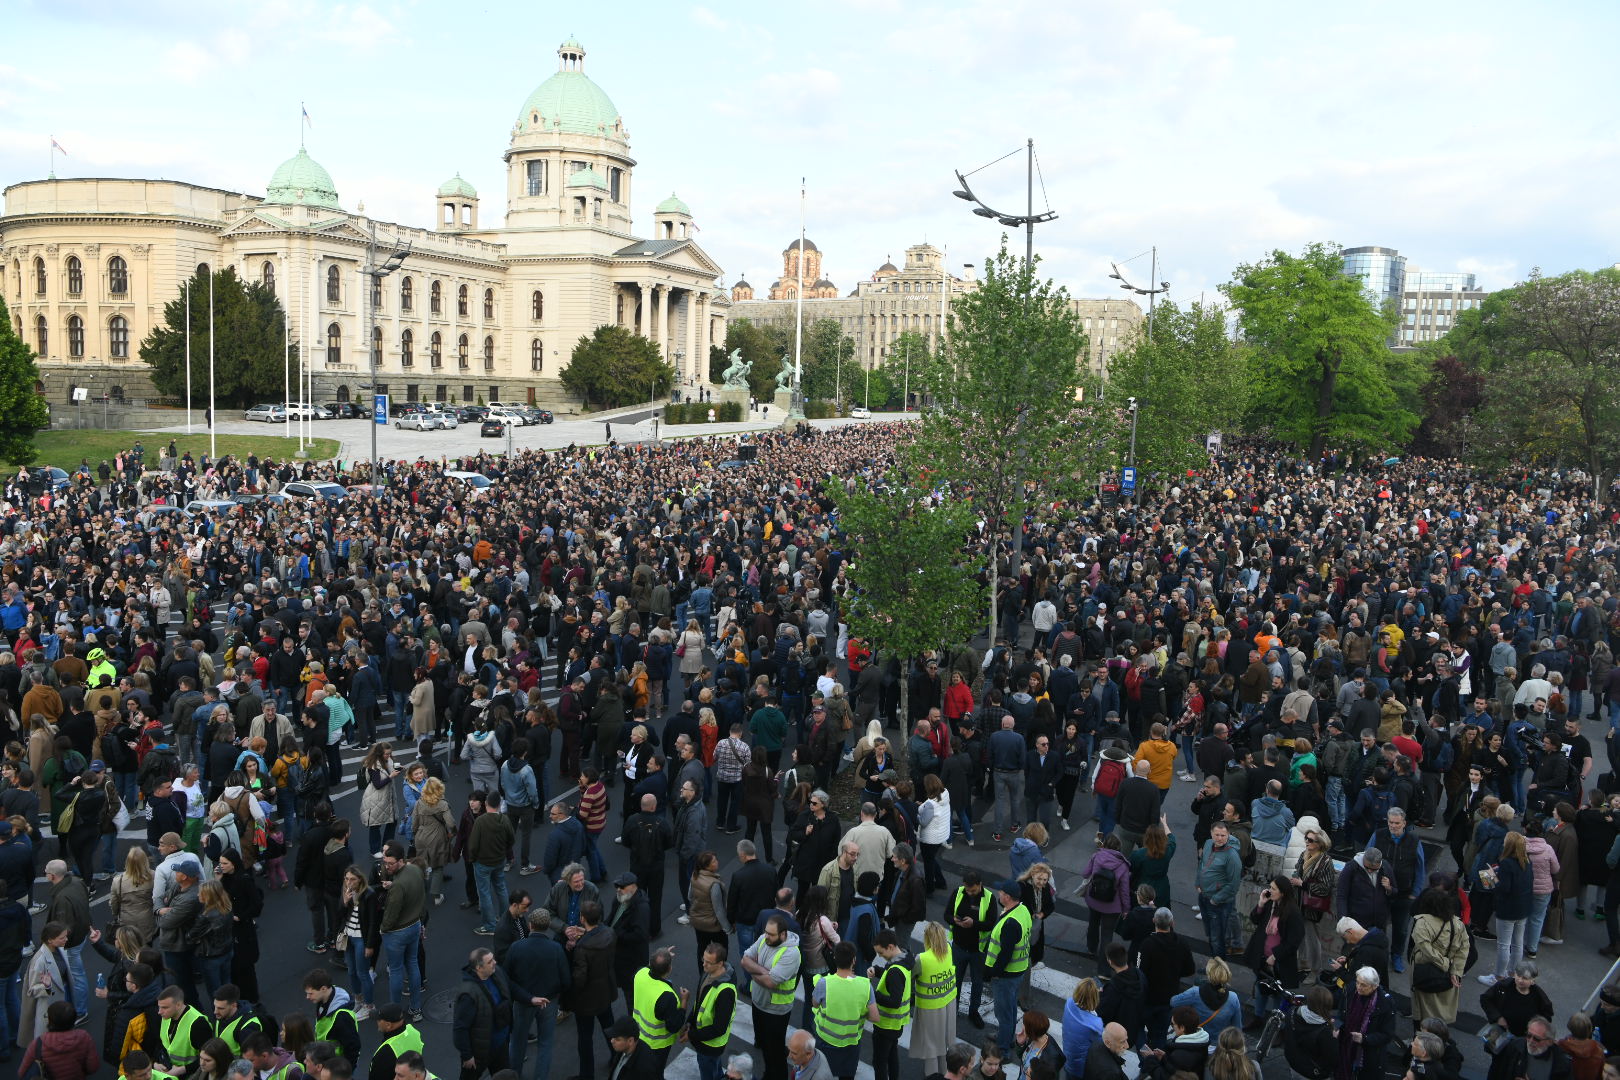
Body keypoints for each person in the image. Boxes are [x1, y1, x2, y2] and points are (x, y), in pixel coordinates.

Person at [740, 913, 800, 1080]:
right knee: (766, 1046)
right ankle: (769, 1072)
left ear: (783, 934)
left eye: (771, 934)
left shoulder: (791, 953)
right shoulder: (763, 939)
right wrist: (763, 971)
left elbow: (771, 982)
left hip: (776, 1010)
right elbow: (744, 960)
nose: (767, 936)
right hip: (758, 1002)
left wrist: (753, 973)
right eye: (766, 932)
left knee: (775, 1053)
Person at [811, 941, 877, 1080]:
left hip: (826, 1041)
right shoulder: (865, 985)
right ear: (854, 960)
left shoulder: (824, 983)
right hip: (850, 1043)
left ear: (835, 958)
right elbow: (874, 1017)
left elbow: (815, 1004)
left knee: (822, 1075)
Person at [567, 900, 617, 1078]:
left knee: (585, 1038)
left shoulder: (582, 948)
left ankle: (586, 1075)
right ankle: (617, 1060)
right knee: (609, 1028)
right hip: (605, 991)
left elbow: (580, 978)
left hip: (586, 999)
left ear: (582, 918)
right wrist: (586, 934)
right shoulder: (609, 933)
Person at [377, 842, 426, 1020]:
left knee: (396, 970)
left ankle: (395, 1013)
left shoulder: (398, 886)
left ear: (401, 860)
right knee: (412, 965)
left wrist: (383, 929)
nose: (387, 867)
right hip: (414, 925)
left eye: (391, 863)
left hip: (397, 933)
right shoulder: (415, 870)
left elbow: (390, 915)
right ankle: (416, 1008)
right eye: (385, 863)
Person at [1244, 877, 1304, 1019]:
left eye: (1273, 888)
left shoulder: (1293, 912)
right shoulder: (1270, 904)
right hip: (1262, 956)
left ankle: (1277, 1023)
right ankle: (1258, 1017)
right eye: (1270, 887)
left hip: (1279, 961)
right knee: (1261, 988)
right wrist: (1260, 904)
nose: (1269, 891)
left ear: (1282, 892)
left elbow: (1294, 940)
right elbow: (1254, 919)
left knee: (1278, 994)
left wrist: (1275, 955)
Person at [452, 946, 514, 1080]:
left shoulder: (496, 972)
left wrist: (530, 999)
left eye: (493, 959)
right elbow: (460, 1028)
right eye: (490, 961)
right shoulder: (468, 994)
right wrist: (467, 1056)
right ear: (479, 968)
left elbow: (511, 988)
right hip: (479, 1052)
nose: (495, 963)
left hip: (500, 1044)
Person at [1409, 886, 1468, 1025]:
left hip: (1424, 969)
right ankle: (1439, 1034)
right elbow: (1464, 948)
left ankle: (1422, 1036)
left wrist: (1444, 963)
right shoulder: (1457, 924)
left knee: (1423, 1010)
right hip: (1448, 974)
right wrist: (1455, 971)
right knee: (1442, 1011)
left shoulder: (1422, 922)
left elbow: (1425, 948)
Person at [1137, 908, 1194, 1050]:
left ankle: (1145, 1057)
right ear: (1172, 923)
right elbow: (1190, 969)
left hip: (1148, 998)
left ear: (1154, 921)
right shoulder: (1182, 943)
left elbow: (1139, 972)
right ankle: (1157, 1059)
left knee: (1138, 1029)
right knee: (1161, 1033)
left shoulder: (1147, 945)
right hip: (1169, 998)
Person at [1482, 831, 1534, 985]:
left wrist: (1489, 877)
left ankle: (1498, 976)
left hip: (1508, 909)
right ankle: (1512, 973)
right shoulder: (1527, 861)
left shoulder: (1506, 863)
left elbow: (1504, 888)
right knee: (1517, 943)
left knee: (1504, 945)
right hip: (1523, 908)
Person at [984, 877, 1031, 1043]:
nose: (999, 894)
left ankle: (1003, 1047)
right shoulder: (1022, 910)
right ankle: (1008, 1037)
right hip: (1018, 970)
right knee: (1010, 1008)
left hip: (1005, 975)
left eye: (1001, 892)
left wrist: (994, 973)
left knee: (1003, 1012)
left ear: (1007, 897)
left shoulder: (1010, 923)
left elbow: (1005, 954)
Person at [909, 921, 956, 1077]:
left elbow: (910, 975)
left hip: (930, 1006)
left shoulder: (922, 959)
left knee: (931, 1045)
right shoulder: (948, 949)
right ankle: (945, 1072)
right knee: (944, 1041)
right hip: (949, 1002)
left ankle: (932, 1075)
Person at [688, 941, 737, 1080]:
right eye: (703, 960)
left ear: (720, 963)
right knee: (714, 1067)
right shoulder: (707, 973)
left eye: (709, 962)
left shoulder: (726, 992)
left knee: (708, 1073)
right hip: (703, 1039)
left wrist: (692, 1034)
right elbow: (699, 1002)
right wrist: (689, 1022)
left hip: (710, 1044)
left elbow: (719, 1028)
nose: (704, 965)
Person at [1334, 968, 1395, 1080]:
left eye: (1363, 985)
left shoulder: (1385, 1003)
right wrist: (1337, 1026)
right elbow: (1341, 1011)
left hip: (1367, 1054)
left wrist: (1365, 1039)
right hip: (1345, 1044)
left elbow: (1387, 1034)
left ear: (1374, 986)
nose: (1358, 987)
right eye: (1357, 982)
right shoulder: (1350, 989)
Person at [1081, 835, 1132, 966]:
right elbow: (1124, 891)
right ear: (1119, 848)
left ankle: (1091, 948)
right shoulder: (1123, 866)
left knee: (1093, 924)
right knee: (1107, 934)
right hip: (1112, 906)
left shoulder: (1096, 856)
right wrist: (1126, 909)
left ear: (1104, 845)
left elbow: (1085, 873)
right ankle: (1103, 967)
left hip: (1094, 899)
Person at [17, 1000, 99, 1080]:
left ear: (50, 1021)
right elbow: (93, 1067)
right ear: (73, 1020)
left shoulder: (38, 1044)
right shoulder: (84, 1037)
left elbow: (22, 1073)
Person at [1196, 823, 1241, 960]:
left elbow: (1233, 885)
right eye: (1217, 835)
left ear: (1228, 835)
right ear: (1211, 833)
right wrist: (1198, 883)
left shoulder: (1232, 856)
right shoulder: (1208, 843)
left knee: (1217, 939)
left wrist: (1216, 899)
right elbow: (1202, 864)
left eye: (1223, 835)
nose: (1220, 838)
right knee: (1210, 934)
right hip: (1204, 896)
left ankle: (1219, 969)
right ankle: (1214, 966)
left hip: (1218, 903)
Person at [1169, 957, 1242, 1036]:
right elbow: (1237, 1026)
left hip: (1197, 1039)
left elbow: (1173, 1002)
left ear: (1209, 975)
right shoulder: (1233, 998)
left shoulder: (1195, 992)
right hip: (1219, 1041)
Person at [1485, 1015, 1573, 1080]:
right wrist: (1491, 1040)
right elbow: (1495, 1055)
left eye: (1536, 1039)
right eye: (1528, 1035)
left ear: (1549, 1041)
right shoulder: (1515, 1045)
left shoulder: (1561, 1064)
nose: (1530, 1041)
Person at [1481, 962, 1555, 1038]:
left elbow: (1546, 1016)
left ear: (1533, 981)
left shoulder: (1539, 996)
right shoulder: (1503, 986)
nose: (1520, 980)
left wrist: (1534, 1032)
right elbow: (1485, 999)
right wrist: (1497, 1017)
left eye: (1524, 978)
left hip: (1523, 1037)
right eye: (1518, 975)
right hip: (1501, 1031)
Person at [155, 982, 214, 1073]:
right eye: (159, 1007)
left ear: (178, 1005)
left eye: (164, 1007)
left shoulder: (198, 1024)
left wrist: (182, 1070)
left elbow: (209, 1057)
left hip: (192, 1074)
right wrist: (156, 1063)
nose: (159, 1012)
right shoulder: (166, 1016)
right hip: (170, 1069)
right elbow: (161, 1043)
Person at [1283, 985, 1337, 1080]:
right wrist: (1335, 1038)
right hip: (1313, 1073)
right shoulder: (1325, 1032)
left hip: (1294, 1064)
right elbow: (1333, 1060)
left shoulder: (1292, 1011)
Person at [1141, 1005, 1209, 1080]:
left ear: (1182, 1028)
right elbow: (1176, 1068)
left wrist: (1150, 1059)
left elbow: (1164, 1077)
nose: (1172, 1027)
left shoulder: (1179, 1055)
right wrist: (1164, 1058)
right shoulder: (1201, 1041)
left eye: (1173, 1024)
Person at [1061, 978, 1104, 1080]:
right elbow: (1100, 1047)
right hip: (1081, 1069)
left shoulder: (1069, 1004)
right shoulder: (1095, 1024)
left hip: (1068, 1057)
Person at [366, 1003, 423, 1080]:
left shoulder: (384, 1054)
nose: (377, 1022)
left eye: (379, 1020)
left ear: (388, 1025)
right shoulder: (414, 1032)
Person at [606, 1014, 662, 1080]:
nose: (612, 1041)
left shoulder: (645, 1068)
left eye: (617, 1039)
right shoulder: (622, 1049)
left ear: (630, 1041)